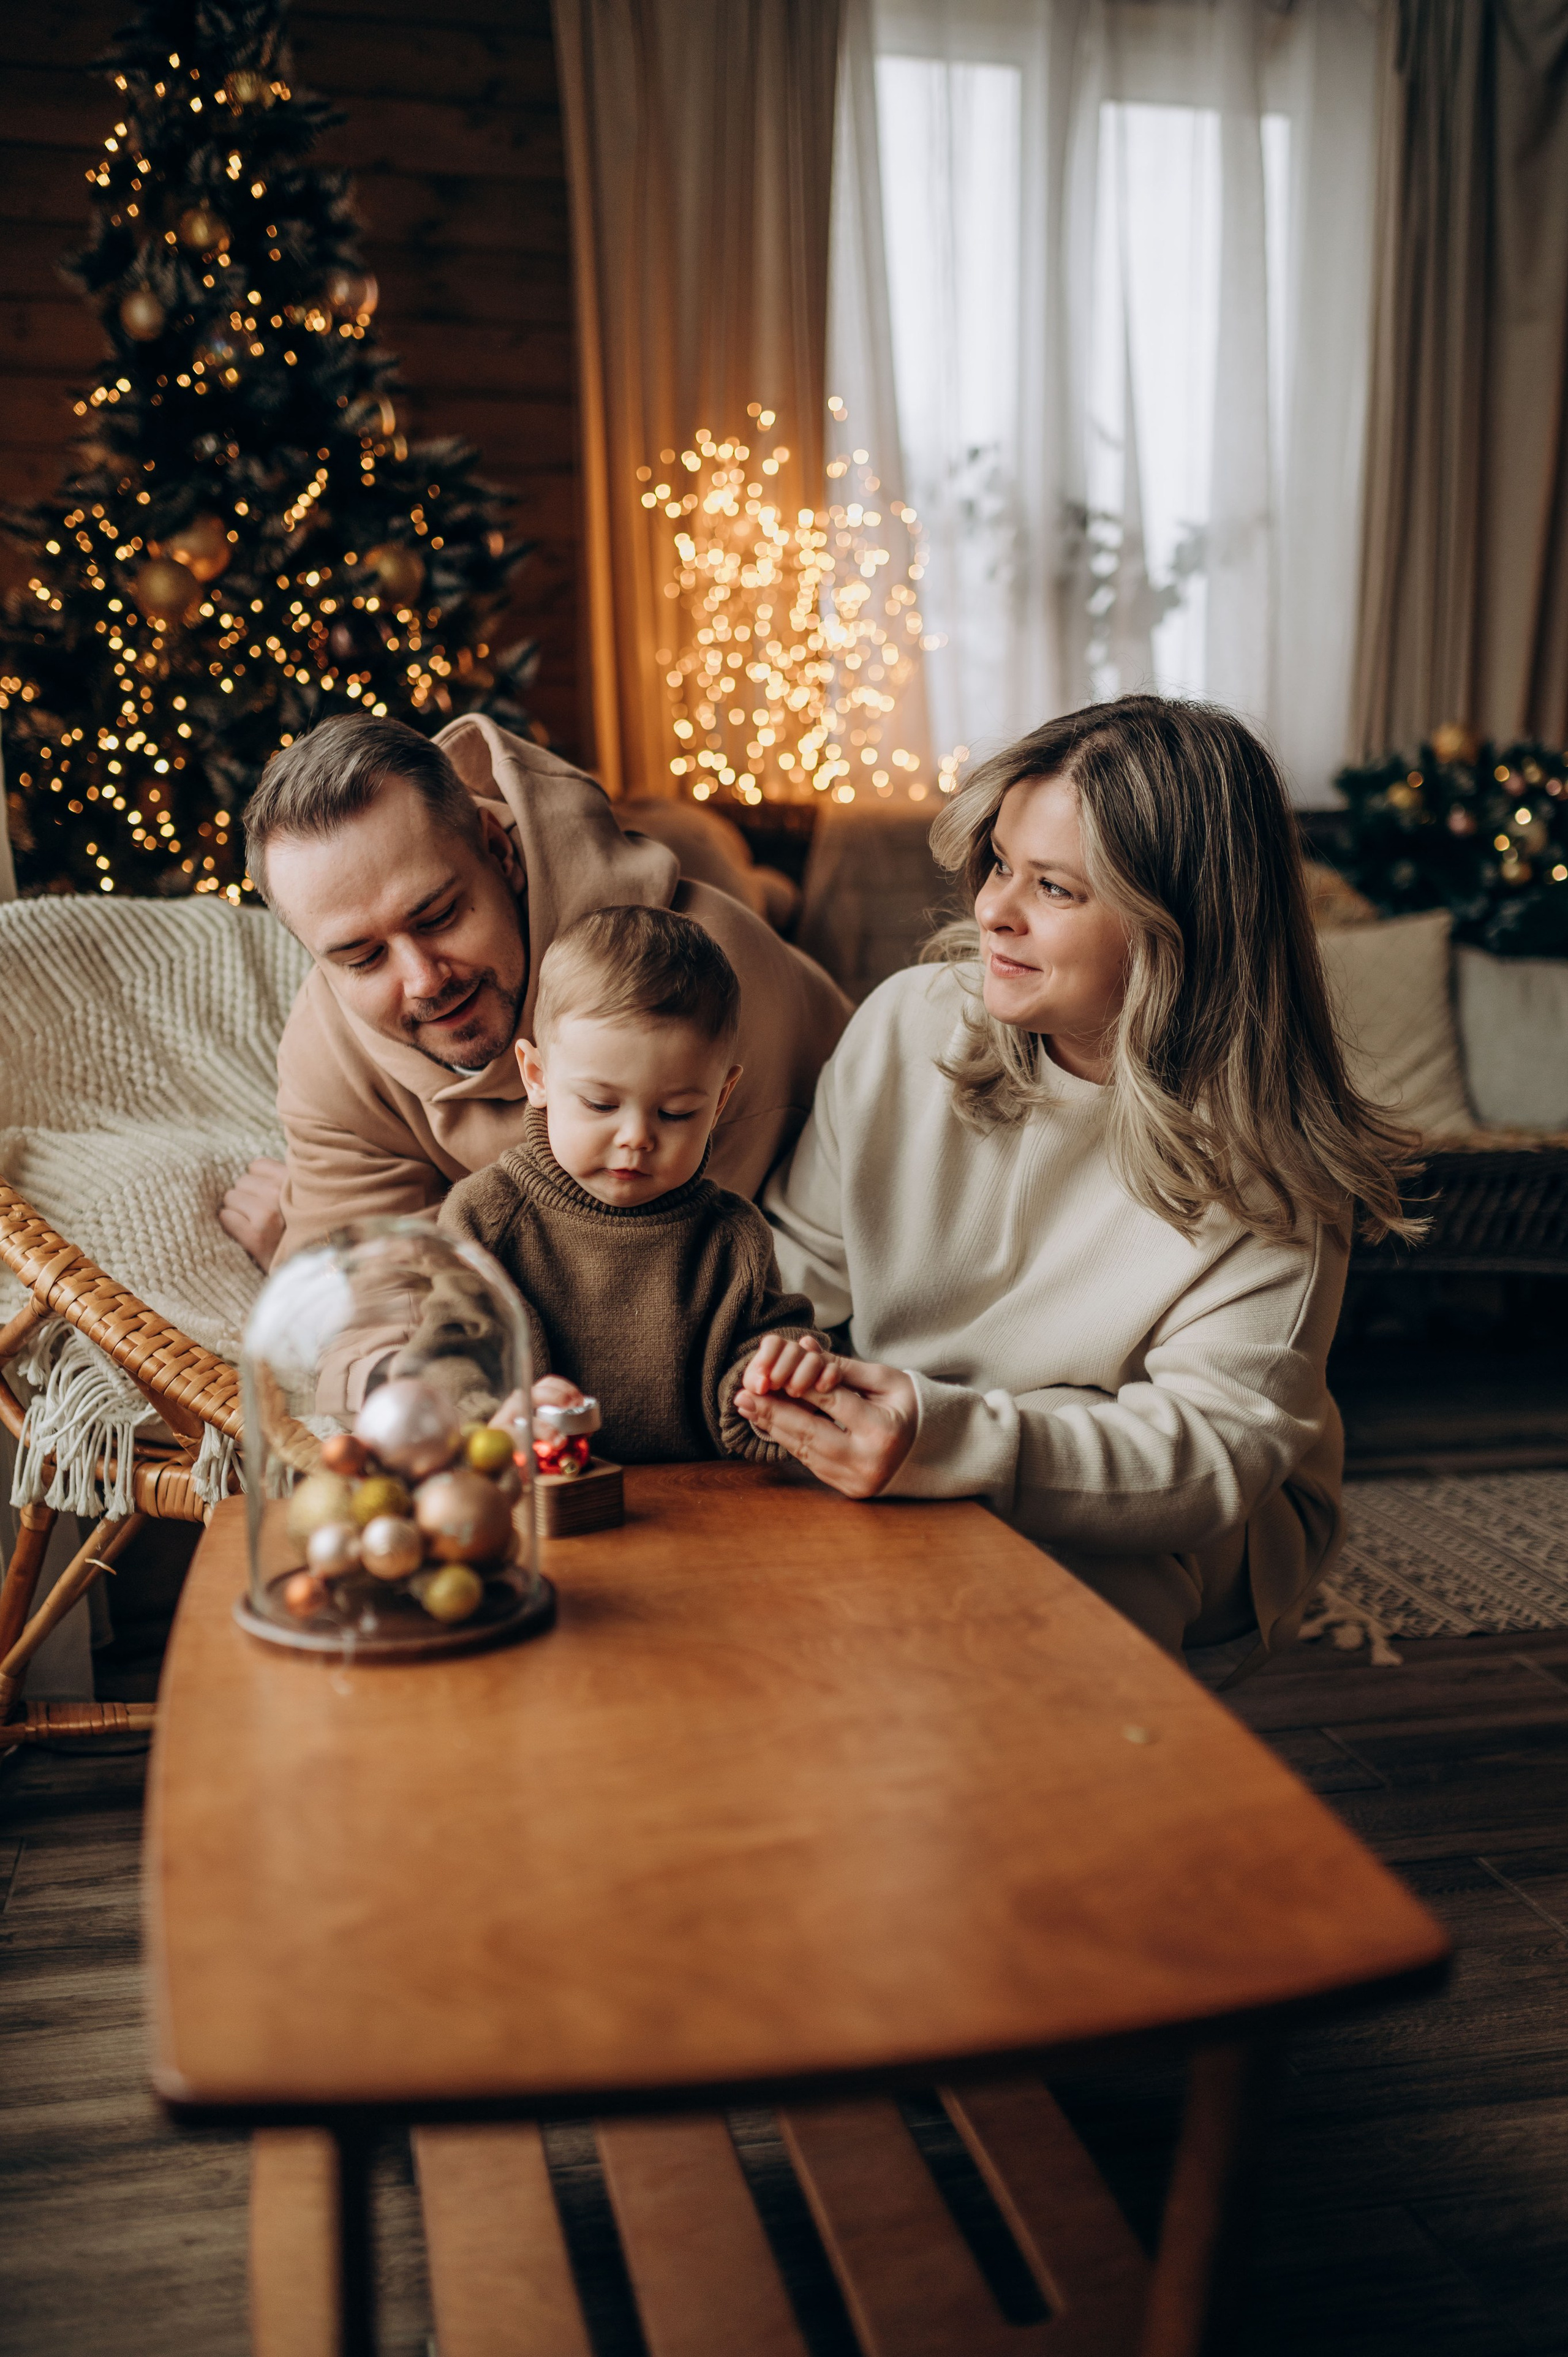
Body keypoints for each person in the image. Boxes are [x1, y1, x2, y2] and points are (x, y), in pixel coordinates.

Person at [735, 695, 1421, 1656]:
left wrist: (951, 1439)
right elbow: (790, 1271)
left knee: (1031, 1610)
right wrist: (770, 1372)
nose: (992, 911)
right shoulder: (907, 1027)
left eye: (1054, 889)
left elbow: (1216, 1449)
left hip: (1187, 1505)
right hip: (930, 1438)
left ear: (1176, 927)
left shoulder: (1272, 1163)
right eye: (1001, 865)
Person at [222, 712, 850, 1296]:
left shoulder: (700, 984)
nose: (421, 980)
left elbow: (648, 1307)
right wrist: (334, 1277)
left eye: (439, 915)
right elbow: (365, 1317)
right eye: (361, 957)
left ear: (498, 850)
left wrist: (339, 1255)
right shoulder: (326, 1049)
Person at [434, 905, 823, 1463]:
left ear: (720, 1102)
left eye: (677, 1113)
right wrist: (489, 1420)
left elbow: (763, 1347)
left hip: (700, 1512)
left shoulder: (732, 1237)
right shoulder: (484, 1217)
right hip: (540, 1503)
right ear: (537, 1077)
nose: (636, 1137)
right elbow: (448, 1357)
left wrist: (774, 1378)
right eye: (600, 1104)